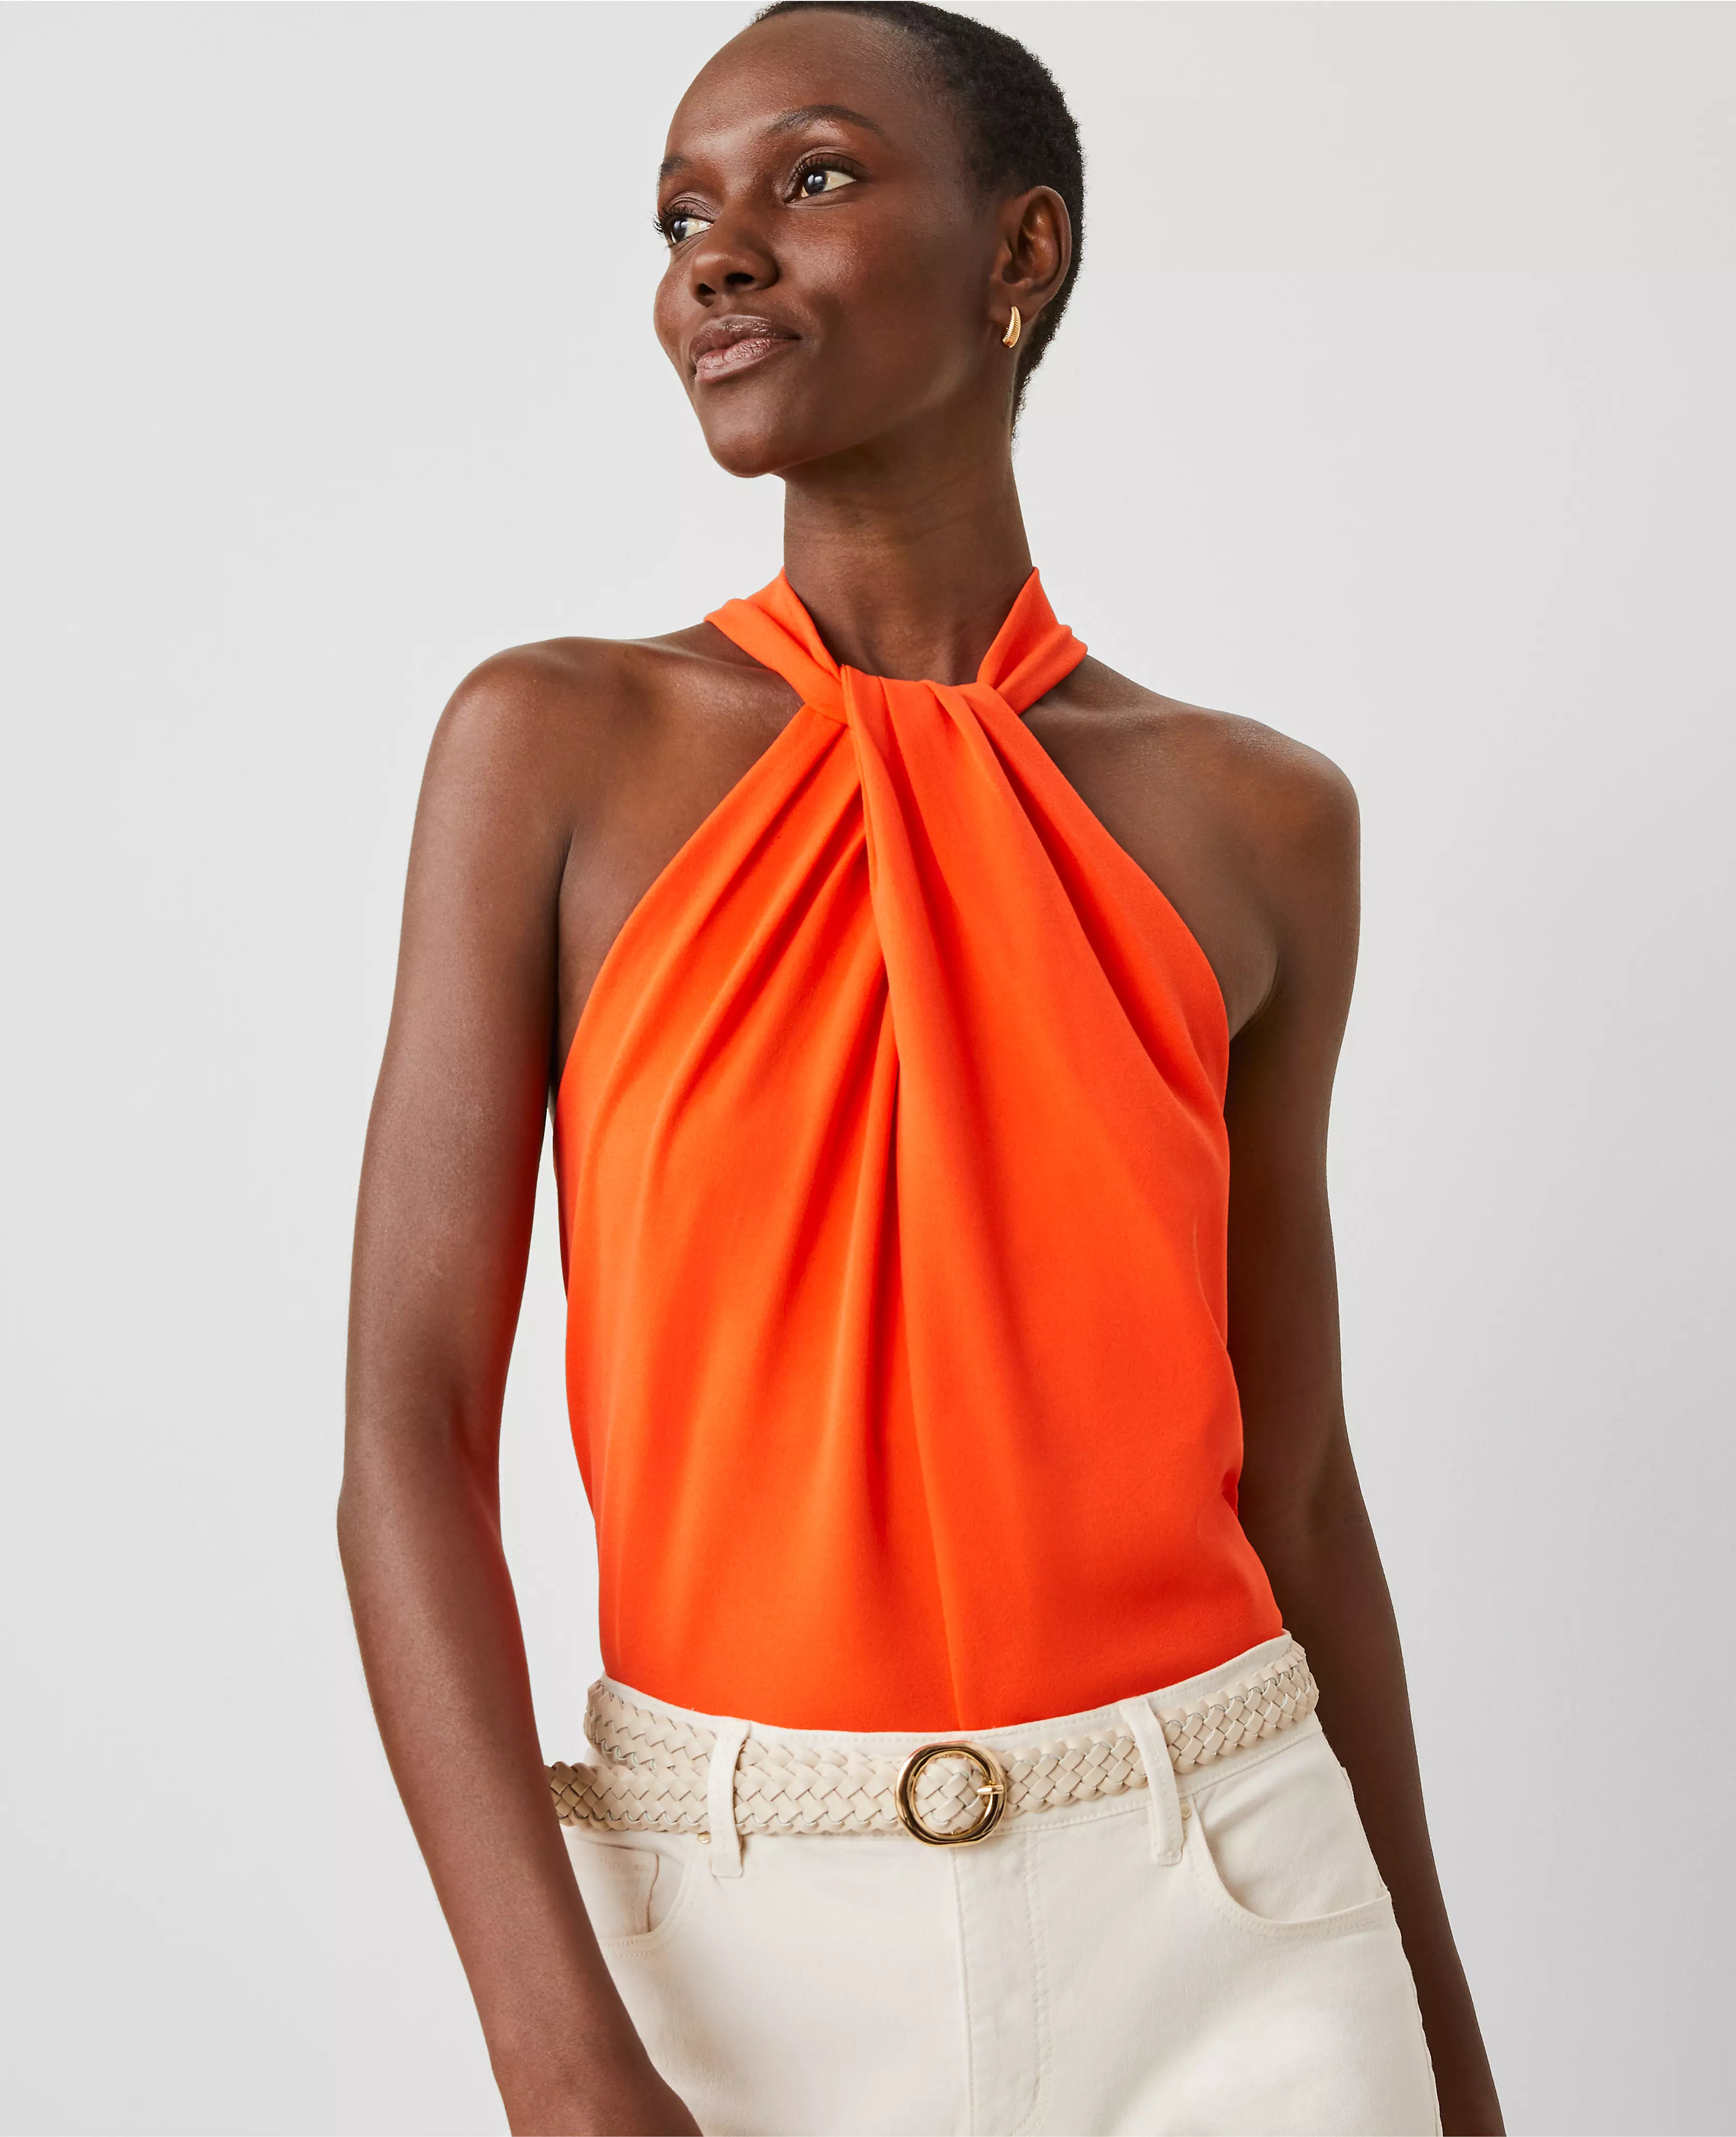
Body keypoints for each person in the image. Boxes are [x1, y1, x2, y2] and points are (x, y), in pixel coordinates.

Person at [340, 5, 1503, 2132]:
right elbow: (407, 1435)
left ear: (1018, 252)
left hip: (1230, 1903)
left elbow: (1300, 1488)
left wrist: (1441, 2040)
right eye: (680, 216)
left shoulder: (1261, 821)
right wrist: (556, 2048)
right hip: (735, 1940)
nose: (718, 253)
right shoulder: (553, 751)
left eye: (811, 179)